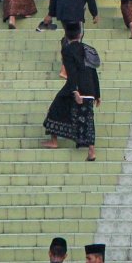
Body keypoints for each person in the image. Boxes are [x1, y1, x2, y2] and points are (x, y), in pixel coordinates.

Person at [41, 21, 101, 161]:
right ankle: (91, 151)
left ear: (67, 36)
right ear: (80, 34)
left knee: (55, 109)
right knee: (88, 119)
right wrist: (97, 94)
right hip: (90, 88)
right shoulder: (89, 49)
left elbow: (72, 72)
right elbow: (93, 72)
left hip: (75, 87)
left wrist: (75, 91)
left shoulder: (67, 50)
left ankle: (54, 141)